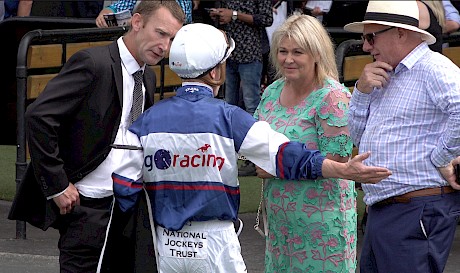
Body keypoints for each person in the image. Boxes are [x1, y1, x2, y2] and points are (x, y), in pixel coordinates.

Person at [109, 22, 391, 273]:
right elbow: (284, 156)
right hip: (216, 243)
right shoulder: (230, 117)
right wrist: (340, 168)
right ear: (218, 71)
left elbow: (124, 185)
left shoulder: (145, 121)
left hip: (165, 243)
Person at [8, 2, 185, 273]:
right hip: (88, 206)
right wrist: (58, 185)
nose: (165, 46)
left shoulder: (147, 77)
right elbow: (39, 117)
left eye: (172, 39)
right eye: (161, 33)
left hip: (129, 206)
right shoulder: (93, 63)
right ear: (137, 22)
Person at [343, 1, 460, 272]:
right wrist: (361, 92)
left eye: (371, 36)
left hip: (415, 207)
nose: (366, 46)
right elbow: (358, 139)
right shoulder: (387, 73)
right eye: (364, 38)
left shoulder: (433, 68)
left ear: (400, 33)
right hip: (391, 207)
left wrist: (440, 157)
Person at [252, 14, 357, 272]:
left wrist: (275, 165)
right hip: (280, 220)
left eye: (298, 52)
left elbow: (337, 164)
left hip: (322, 222)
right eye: (282, 51)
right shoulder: (271, 92)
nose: (288, 59)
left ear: (317, 53)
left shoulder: (332, 97)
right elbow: (254, 152)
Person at [209, 0, 273, 176]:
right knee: (229, 106)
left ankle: (256, 160)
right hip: (229, 53)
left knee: (252, 105)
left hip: (250, 53)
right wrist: (219, 14)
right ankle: (230, 157)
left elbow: (267, 19)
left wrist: (235, 15)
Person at [96, 0, 193, 27]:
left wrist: (139, 21)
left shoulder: (183, 1)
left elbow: (179, 22)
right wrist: (104, 15)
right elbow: (114, 8)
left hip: (170, 49)